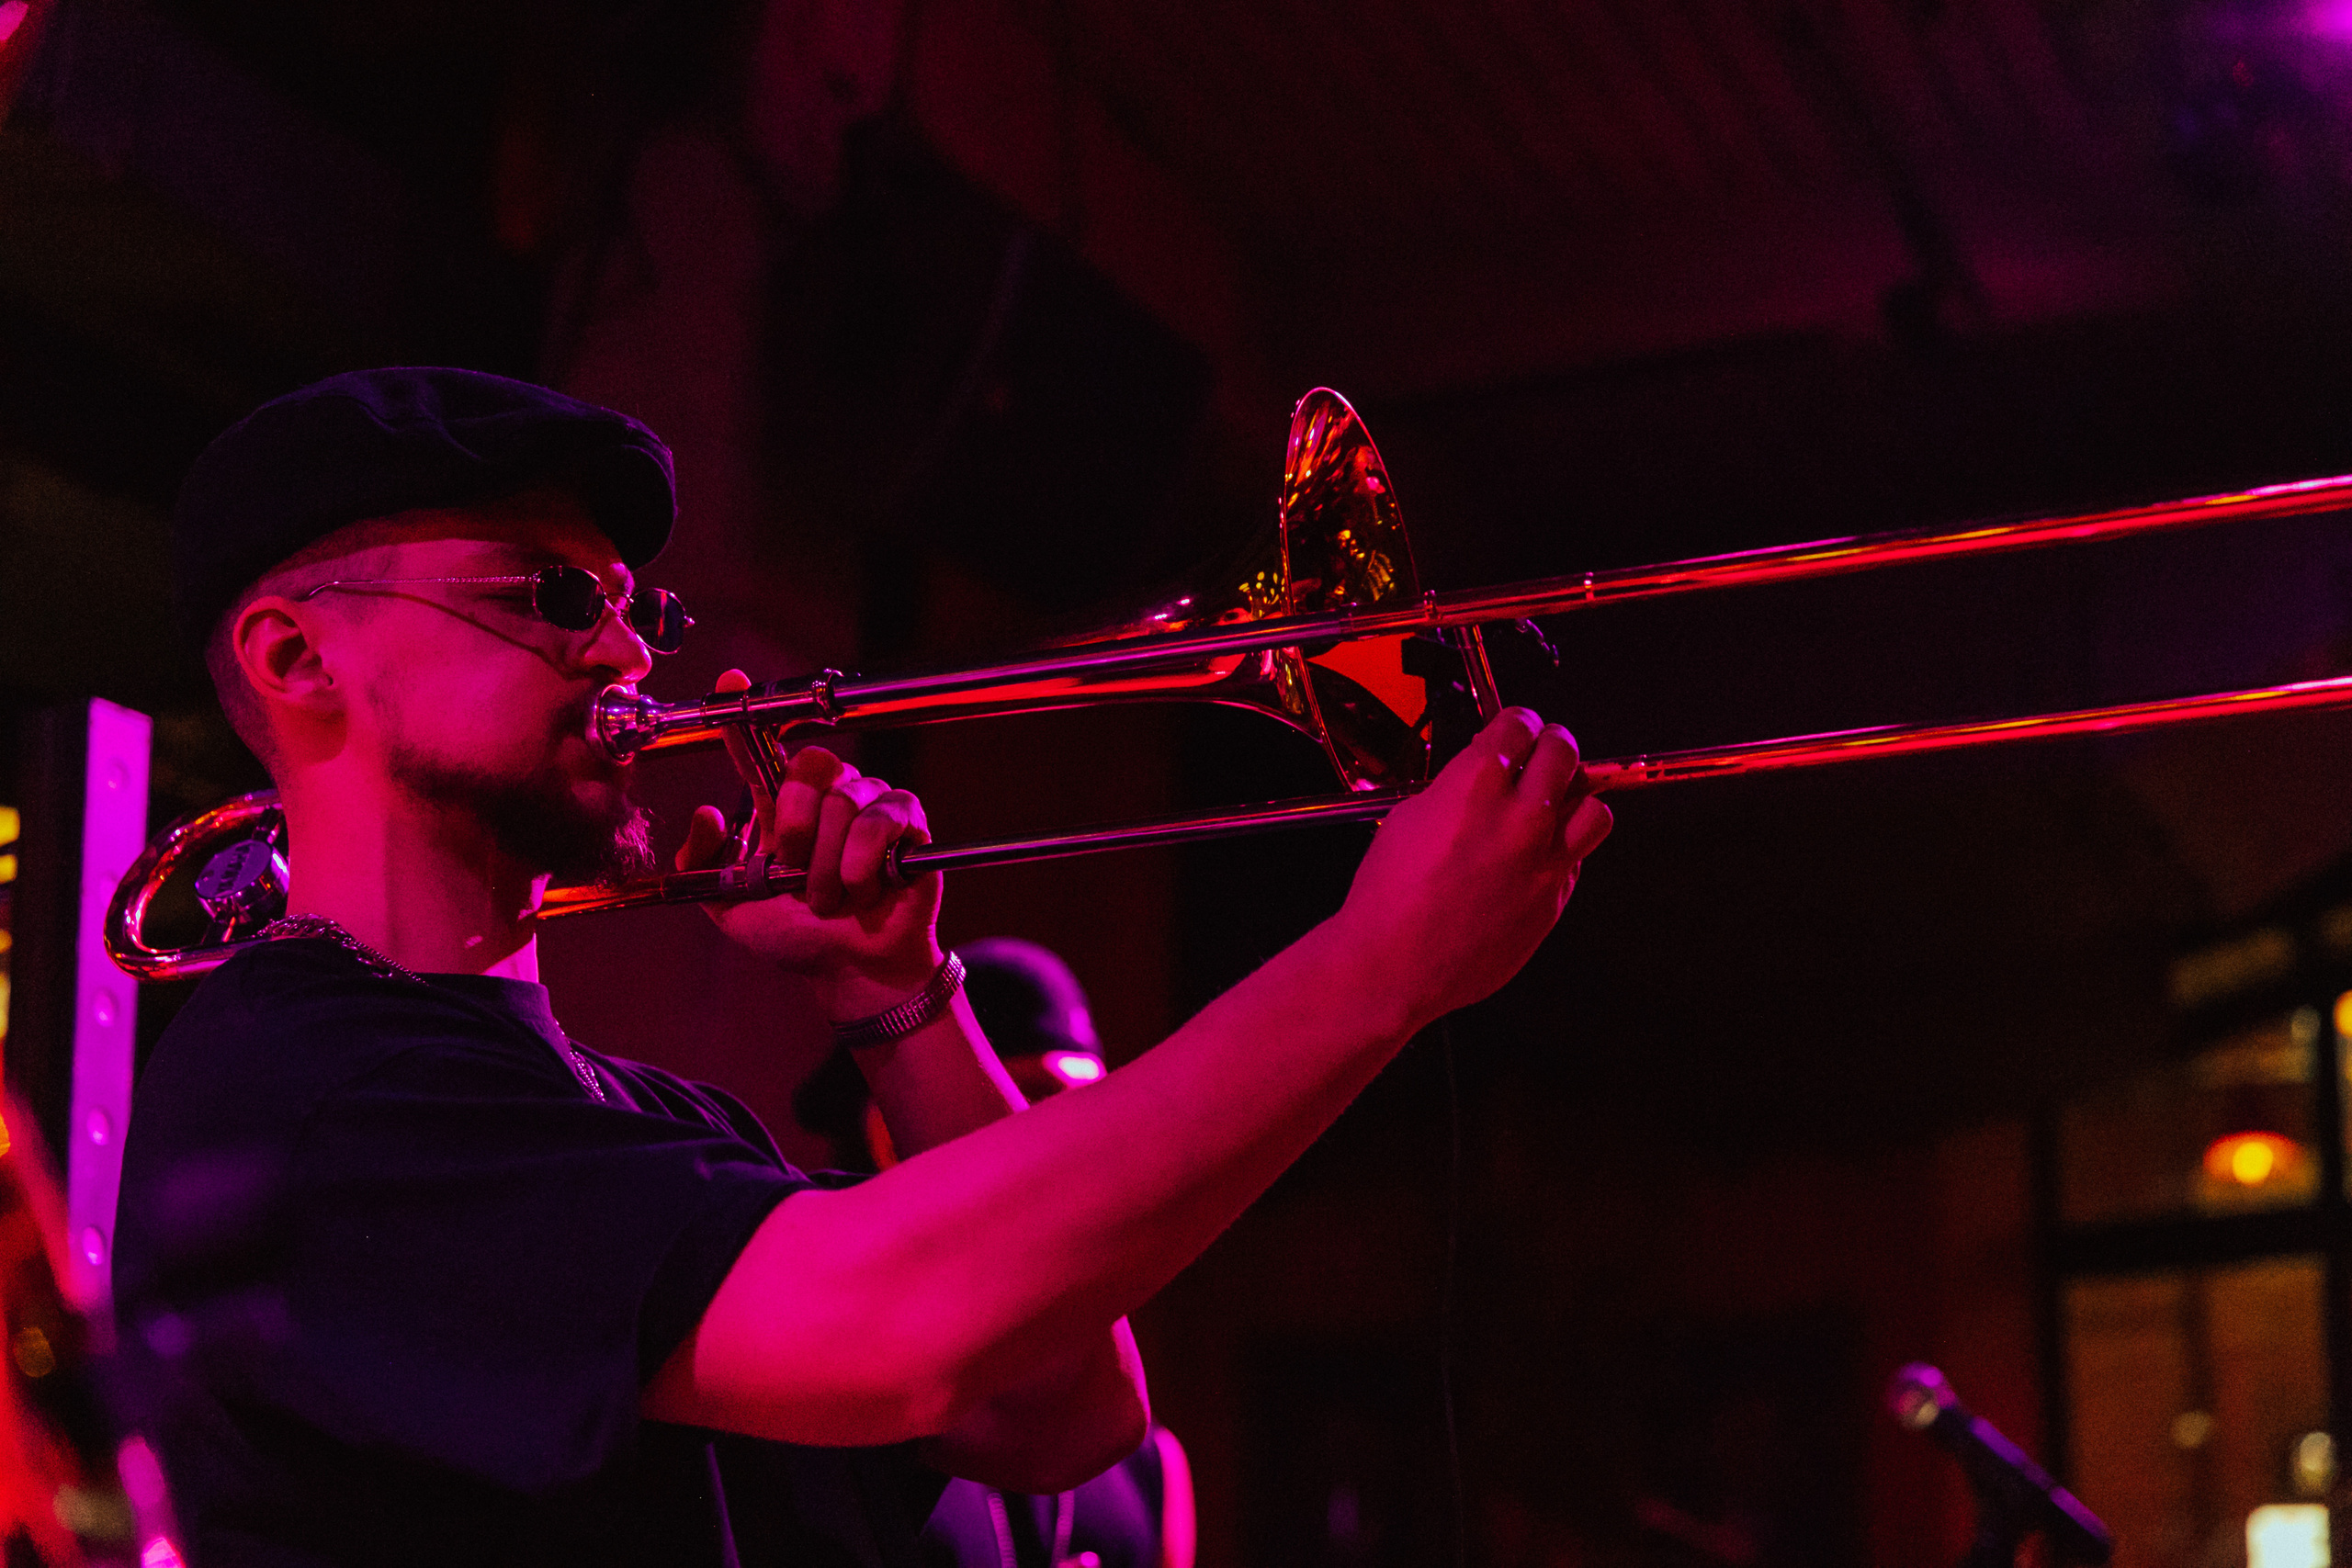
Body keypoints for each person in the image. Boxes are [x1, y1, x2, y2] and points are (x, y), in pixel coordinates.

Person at [111, 367, 1612, 1568]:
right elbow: (890, 1327)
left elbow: (1058, 1416)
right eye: (550, 596)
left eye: (643, 607)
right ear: (297, 660)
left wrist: (905, 1001)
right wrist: (1373, 973)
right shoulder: (302, 1091)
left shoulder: (645, 1113)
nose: (630, 657)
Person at [799, 938, 1196, 1568]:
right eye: (1028, 1098)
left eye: (1086, 1103)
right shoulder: (820, 1412)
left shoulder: (1150, 1465)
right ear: (888, 1128)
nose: (1070, 1137)